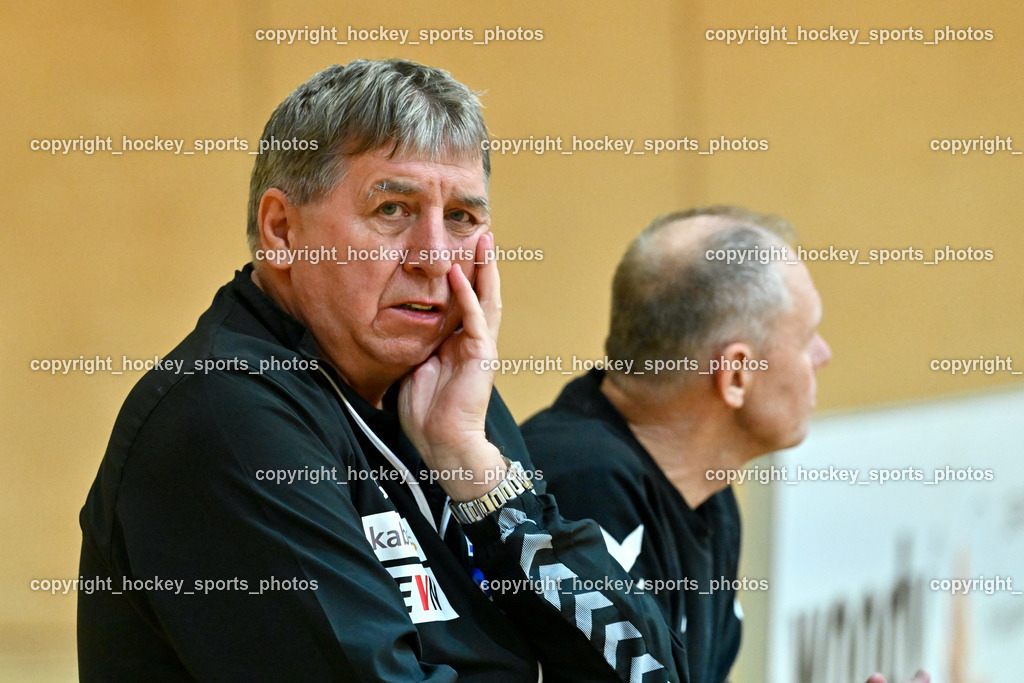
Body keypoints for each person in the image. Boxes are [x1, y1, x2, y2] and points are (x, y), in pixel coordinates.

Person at [77, 59, 688, 681]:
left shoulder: (443, 395)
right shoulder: (220, 413)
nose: (431, 256)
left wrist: (474, 467)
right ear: (283, 231)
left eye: (461, 219)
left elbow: (646, 670)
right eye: (393, 209)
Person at [521, 206, 832, 682]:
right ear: (736, 375)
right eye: (807, 337)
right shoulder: (580, 488)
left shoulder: (709, 493)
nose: (823, 355)